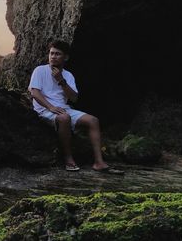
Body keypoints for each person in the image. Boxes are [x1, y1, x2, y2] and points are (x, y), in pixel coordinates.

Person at [28, 40, 123, 174]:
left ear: (65, 57)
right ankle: (68, 158)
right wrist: (50, 107)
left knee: (93, 121)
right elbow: (34, 93)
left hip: (63, 108)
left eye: (57, 54)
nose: (53, 56)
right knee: (64, 118)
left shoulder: (68, 75)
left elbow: (74, 98)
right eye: (51, 53)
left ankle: (99, 162)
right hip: (44, 109)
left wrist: (61, 80)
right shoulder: (40, 70)